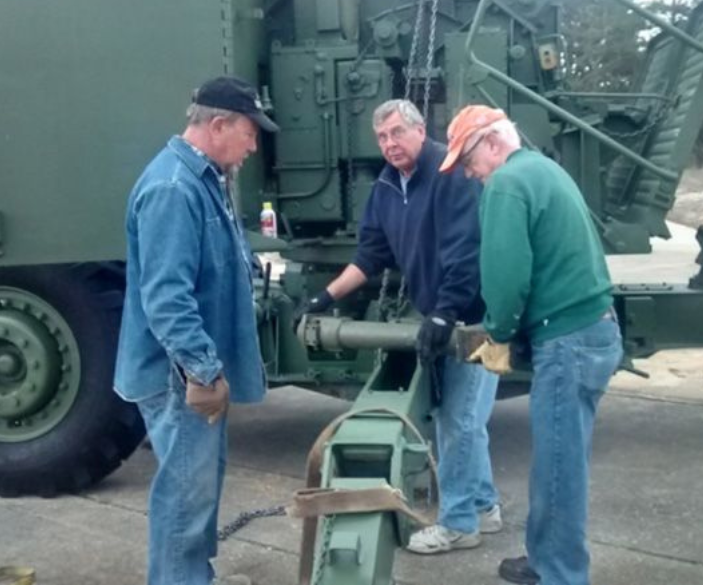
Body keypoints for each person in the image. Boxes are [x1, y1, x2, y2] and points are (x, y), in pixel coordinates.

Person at [302, 99, 502, 554]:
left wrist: (442, 313)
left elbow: (465, 254)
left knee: (461, 420)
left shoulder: (450, 175)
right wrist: (326, 296)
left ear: (418, 130)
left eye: (396, 133)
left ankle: (459, 523)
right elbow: (370, 256)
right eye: (382, 137)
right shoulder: (388, 187)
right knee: (460, 417)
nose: (390, 144)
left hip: (475, 318)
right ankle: (484, 506)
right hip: (441, 316)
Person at [441, 105, 623, 585]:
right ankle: (547, 560)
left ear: (493, 144)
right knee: (559, 462)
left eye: (468, 161)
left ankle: (561, 574)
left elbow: (505, 274)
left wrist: (498, 331)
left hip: (568, 340)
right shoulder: (544, 169)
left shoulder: (505, 184)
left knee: (560, 468)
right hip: (592, 331)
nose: (468, 173)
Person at [114, 76, 279, 585]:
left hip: (189, 373)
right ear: (218, 124)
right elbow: (166, 299)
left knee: (197, 489)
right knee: (186, 496)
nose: (254, 146)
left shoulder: (204, 179)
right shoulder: (173, 189)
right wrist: (203, 372)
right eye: (250, 133)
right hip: (178, 378)